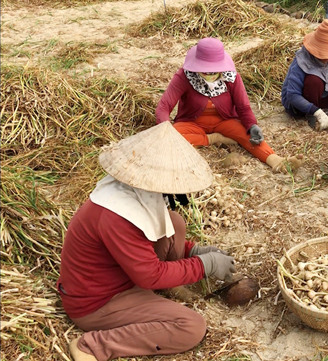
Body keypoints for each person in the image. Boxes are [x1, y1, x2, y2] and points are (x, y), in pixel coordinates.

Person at [59, 122, 237, 361]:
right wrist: (205, 265)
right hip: (97, 303)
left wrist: (192, 250)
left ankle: (169, 285)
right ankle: (91, 346)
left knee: (174, 222)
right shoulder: (116, 216)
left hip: (122, 277)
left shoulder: (135, 191)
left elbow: (149, 236)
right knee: (191, 327)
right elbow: (149, 275)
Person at [156, 37, 303, 173]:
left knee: (247, 135)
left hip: (224, 121)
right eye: (205, 71)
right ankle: (213, 139)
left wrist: (252, 125)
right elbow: (164, 106)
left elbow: (243, 106)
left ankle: (276, 161)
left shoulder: (231, 77)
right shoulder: (184, 76)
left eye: (214, 71)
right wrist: (165, 128)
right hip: (192, 123)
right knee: (172, 137)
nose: (210, 74)